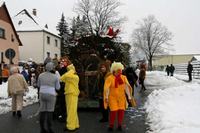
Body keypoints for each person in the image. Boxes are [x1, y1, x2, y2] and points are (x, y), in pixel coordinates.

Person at [104, 62, 132, 131]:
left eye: (121, 70)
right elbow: (107, 88)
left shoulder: (123, 78)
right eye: (118, 70)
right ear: (114, 70)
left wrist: (129, 97)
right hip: (112, 97)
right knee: (113, 111)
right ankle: (111, 125)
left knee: (121, 111)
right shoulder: (109, 78)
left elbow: (126, 88)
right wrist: (106, 97)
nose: (120, 72)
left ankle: (119, 125)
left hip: (121, 98)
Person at [37, 62, 60, 133]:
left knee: (42, 111)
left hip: (42, 94)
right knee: (50, 111)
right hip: (51, 94)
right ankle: (50, 128)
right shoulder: (55, 76)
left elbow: (38, 85)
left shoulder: (41, 75)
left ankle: (42, 128)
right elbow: (58, 87)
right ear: (52, 68)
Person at [60, 63, 80, 131]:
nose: (67, 71)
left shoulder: (75, 77)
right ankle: (75, 124)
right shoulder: (71, 77)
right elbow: (62, 78)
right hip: (70, 94)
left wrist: (71, 70)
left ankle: (70, 126)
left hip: (72, 94)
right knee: (72, 110)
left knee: (71, 110)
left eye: (68, 70)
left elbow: (64, 77)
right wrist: (70, 71)